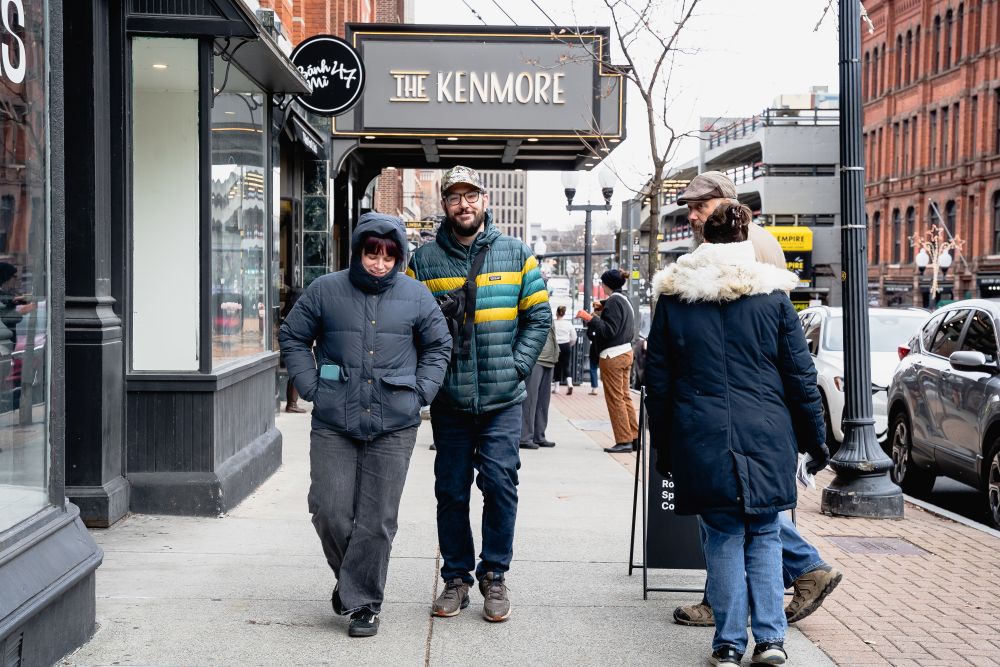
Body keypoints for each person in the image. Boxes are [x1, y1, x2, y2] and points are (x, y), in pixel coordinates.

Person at [644, 201, 831, 667]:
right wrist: (815, 441)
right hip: (768, 434)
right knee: (766, 532)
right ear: (746, 242)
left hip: (699, 433)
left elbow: (659, 384)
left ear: (703, 241)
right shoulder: (774, 299)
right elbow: (800, 377)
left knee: (722, 534)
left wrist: (665, 446)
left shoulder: (674, 300)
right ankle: (770, 640)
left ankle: (728, 644)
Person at [279, 213, 452, 638]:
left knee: (377, 519)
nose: (379, 262)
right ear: (358, 251)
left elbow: (439, 345)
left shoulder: (416, 296)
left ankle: (363, 604)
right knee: (329, 508)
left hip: (395, 423)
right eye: (371, 252)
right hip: (335, 419)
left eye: (388, 255)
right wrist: (311, 384)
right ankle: (354, 583)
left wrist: (421, 392)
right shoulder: (325, 290)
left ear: (399, 257)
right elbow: (293, 336)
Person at [406, 165, 551, 623]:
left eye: (471, 196)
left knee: (501, 486)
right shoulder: (423, 262)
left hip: (502, 399)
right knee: (450, 491)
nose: (464, 205)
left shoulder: (516, 254)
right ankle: (456, 578)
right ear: (445, 205)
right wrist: (428, 379)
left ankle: (495, 575)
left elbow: (538, 318)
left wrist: (517, 365)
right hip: (449, 401)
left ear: (485, 201)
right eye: (455, 198)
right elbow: (407, 326)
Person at [578, 269, 638, 454]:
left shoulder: (613, 302)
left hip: (612, 355)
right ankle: (634, 437)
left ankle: (623, 440)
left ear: (605, 285)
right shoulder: (623, 300)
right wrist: (602, 308)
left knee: (615, 399)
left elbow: (609, 330)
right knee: (625, 396)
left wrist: (591, 318)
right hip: (626, 352)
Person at [519, 319, 558, 449]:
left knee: (543, 401)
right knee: (530, 400)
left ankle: (539, 435)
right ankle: (525, 437)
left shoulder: (544, 303)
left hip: (549, 358)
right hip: (536, 357)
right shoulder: (533, 301)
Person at [279, 284, 306, 413]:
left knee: (294, 374)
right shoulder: (300, 312)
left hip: (286, 348)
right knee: (296, 374)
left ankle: (292, 403)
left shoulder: (287, 311)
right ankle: (292, 404)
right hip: (297, 347)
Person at [553, 305, 576, 394]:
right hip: (566, 345)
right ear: (564, 313)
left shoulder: (553, 323)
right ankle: (570, 384)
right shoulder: (568, 324)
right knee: (566, 365)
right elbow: (574, 337)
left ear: (556, 313)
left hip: (557, 346)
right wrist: (569, 345)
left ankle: (556, 388)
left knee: (557, 366)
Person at [588, 301, 602, 395]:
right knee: (604, 368)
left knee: (593, 368)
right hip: (603, 348)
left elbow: (589, 334)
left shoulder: (592, 320)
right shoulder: (605, 319)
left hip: (594, 348)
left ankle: (594, 388)